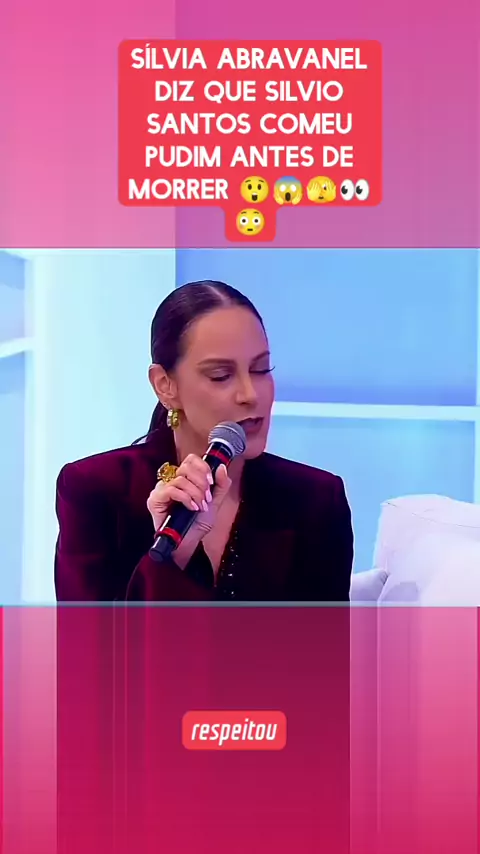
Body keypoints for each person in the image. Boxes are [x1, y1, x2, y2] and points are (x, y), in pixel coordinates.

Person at [54, 280, 354, 602]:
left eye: (261, 369)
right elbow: (88, 635)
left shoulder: (316, 500)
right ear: (165, 385)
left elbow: (322, 636)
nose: (250, 395)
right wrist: (174, 555)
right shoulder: (95, 489)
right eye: (221, 376)